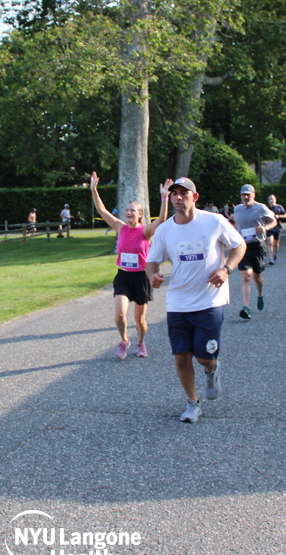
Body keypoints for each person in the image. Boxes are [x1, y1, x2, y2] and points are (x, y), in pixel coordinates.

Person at [146, 178, 245, 423]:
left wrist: (226, 269)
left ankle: (212, 369)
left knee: (204, 357)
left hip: (209, 301)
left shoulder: (214, 221)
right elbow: (152, 261)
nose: (178, 197)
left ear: (195, 197)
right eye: (174, 194)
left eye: (184, 193)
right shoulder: (165, 230)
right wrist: (152, 276)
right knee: (181, 357)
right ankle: (193, 403)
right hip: (178, 302)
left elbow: (239, 245)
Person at [90, 172, 173, 360]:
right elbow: (102, 210)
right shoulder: (120, 227)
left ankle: (141, 342)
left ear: (140, 214)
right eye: (127, 210)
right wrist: (94, 190)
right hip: (123, 276)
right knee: (120, 314)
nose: (128, 213)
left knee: (139, 319)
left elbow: (162, 219)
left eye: (132, 210)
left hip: (141, 278)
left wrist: (164, 198)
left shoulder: (146, 231)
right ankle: (124, 341)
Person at [232, 184, 277, 320]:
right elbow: (237, 225)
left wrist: (265, 228)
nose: (246, 197)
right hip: (243, 246)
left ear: (253, 195)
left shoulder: (261, 208)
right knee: (246, 276)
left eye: (248, 194)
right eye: (243, 195)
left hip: (258, 246)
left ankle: (260, 294)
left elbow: (274, 221)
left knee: (257, 277)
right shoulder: (237, 209)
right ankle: (246, 307)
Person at [266, 194, 286, 264]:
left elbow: (285, 216)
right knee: (270, 243)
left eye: (272, 199)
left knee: (276, 243)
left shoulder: (279, 207)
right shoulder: (267, 208)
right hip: (270, 227)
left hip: (278, 227)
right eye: (269, 199)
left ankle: (275, 255)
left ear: (275, 200)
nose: (271, 201)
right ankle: (271, 258)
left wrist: (279, 216)